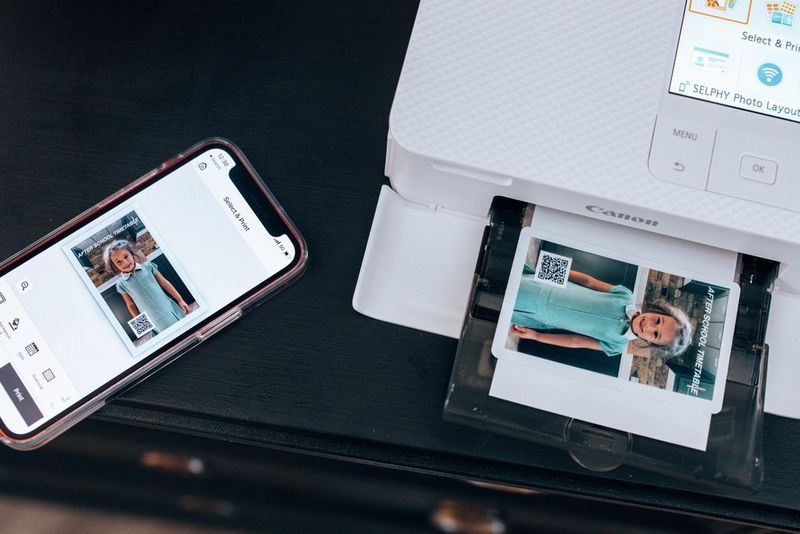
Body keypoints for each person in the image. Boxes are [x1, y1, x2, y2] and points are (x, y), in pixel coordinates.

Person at [510, 265, 692, 358]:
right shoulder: (625, 296)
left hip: (534, 314)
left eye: (655, 334)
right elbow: (587, 281)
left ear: (651, 342)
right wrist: (544, 269)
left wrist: (536, 336)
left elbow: (576, 341)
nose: (649, 326)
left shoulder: (616, 345)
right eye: (658, 320)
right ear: (658, 312)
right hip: (539, 285)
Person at [103, 240, 192, 334]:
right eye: (118, 262)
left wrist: (180, 300)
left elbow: (165, 283)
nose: (125, 262)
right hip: (153, 319)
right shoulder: (121, 285)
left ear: (132, 254)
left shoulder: (148, 267)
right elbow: (131, 305)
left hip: (169, 308)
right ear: (114, 266)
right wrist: (142, 326)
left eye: (126, 256)